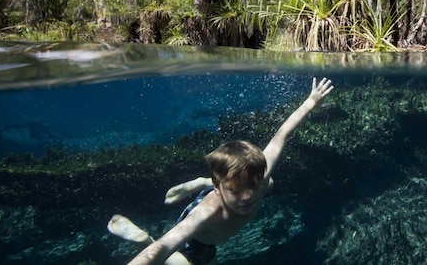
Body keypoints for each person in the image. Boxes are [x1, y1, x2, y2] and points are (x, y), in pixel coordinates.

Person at [108, 77, 335, 265]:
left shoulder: (261, 173)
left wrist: (310, 102)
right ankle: (142, 239)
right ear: (219, 189)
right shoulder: (205, 213)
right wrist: (147, 249)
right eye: (235, 190)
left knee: (270, 183)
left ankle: (202, 182)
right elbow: (164, 245)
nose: (246, 196)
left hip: (220, 217)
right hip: (201, 241)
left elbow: (281, 135)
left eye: (252, 185)